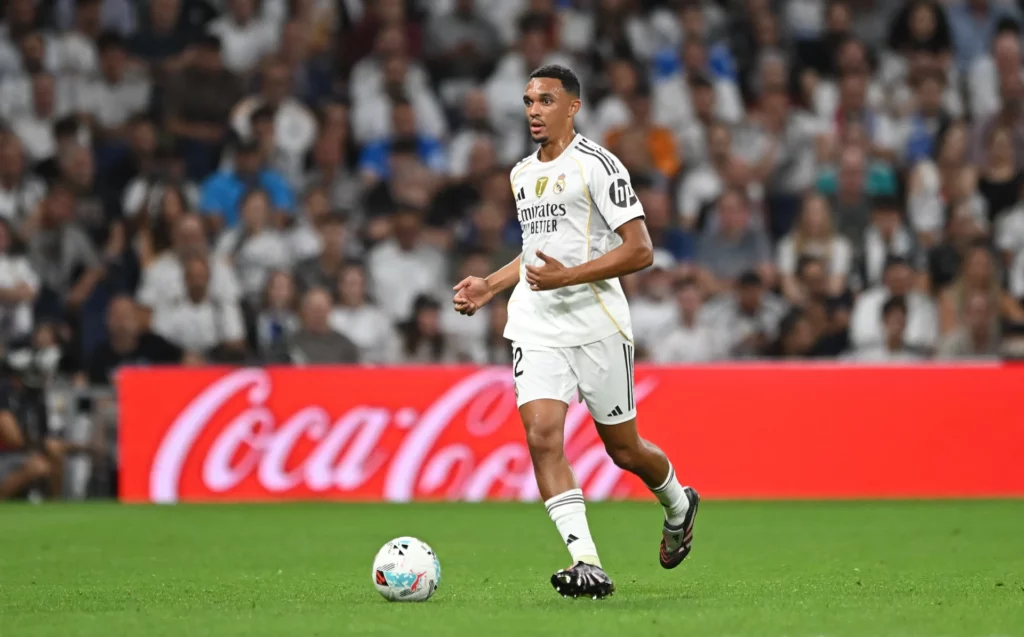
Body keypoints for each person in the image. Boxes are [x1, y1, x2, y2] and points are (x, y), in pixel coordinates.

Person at [451, 65, 699, 599]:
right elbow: (534, 250)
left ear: (573, 107)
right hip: (536, 324)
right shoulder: (520, 174)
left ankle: (679, 502)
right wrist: (491, 286)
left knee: (625, 450)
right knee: (543, 437)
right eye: (527, 101)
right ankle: (586, 561)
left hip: (596, 323)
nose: (534, 111)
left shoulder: (598, 166)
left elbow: (641, 249)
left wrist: (567, 276)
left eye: (545, 100)